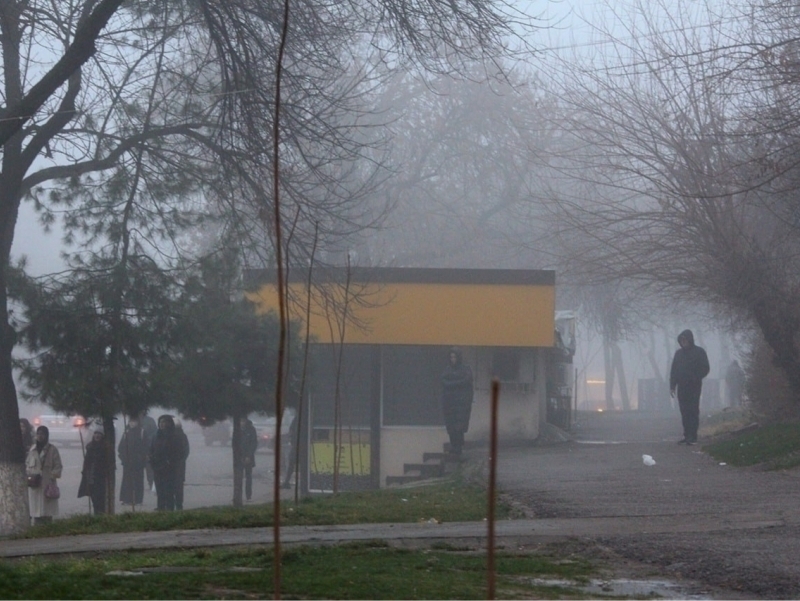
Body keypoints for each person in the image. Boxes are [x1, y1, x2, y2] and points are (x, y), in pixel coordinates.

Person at [669, 329, 710, 445]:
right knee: (684, 411)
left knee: (693, 410)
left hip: (694, 386)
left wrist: (696, 377)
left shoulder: (699, 352)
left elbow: (705, 368)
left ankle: (693, 435)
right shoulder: (678, 354)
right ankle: (687, 435)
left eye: (685, 340)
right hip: (682, 386)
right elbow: (674, 371)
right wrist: (672, 385)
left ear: (690, 340)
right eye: (681, 340)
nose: (683, 342)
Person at [26, 425, 63, 525]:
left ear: (46, 435)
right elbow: (27, 464)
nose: (40, 436)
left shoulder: (52, 449)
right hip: (35, 484)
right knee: (35, 510)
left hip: (48, 484)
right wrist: (30, 477)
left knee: (47, 511)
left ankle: (47, 529)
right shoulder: (32, 450)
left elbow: (58, 466)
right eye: (38, 434)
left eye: (42, 434)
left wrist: (51, 476)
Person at [440, 347, 474, 456]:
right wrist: (457, 383)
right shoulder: (447, 369)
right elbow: (444, 382)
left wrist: (453, 383)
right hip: (449, 403)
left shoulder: (465, 369)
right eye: (451, 357)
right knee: (451, 426)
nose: (452, 359)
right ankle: (454, 446)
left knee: (459, 426)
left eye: (454, 357)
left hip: (461, 404)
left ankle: (458, 447)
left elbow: (467, 381)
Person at [148, 415, 184, 511]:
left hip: (170, 468)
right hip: (157, 468)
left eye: (165, 422)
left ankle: (170, 508)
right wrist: (152, 460)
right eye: (161, 422)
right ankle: (160, 508)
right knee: (160, 491)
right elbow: (151, 450)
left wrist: (170, 462)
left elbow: (179, 452)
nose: (162, 424)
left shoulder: (174, 436)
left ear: (169, 423)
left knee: (169, 491)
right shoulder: (155, 436)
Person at [118, 417, 148, 506]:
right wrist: (123, 457)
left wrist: (141, 457)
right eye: (131, 421)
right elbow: (121, 447)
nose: (132, 423)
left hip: (139, 462)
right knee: (127, 481)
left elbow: (146, 447)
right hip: (127, 462)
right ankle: (127, 499)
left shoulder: (142, 432)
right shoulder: (126, 432)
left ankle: (138, 500)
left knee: (138, 481)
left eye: (134, 421)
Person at [78, 428, 108, 514]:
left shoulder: (104, 448)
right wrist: (85, 471)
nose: (97, 436)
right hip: (91, 476)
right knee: (93, 497)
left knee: (100, 498)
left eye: (99, 434)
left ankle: (100, 514)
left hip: (100, 477)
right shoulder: (90, 447)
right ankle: (96, 514)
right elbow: (87, 461)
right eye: (96, 434)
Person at [240, 417, 259, 500]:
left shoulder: (251, 429)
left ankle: (248, 496)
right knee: (238, 477)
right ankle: (238, 496)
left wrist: (249, 456)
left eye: (243, 421)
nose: (241, 422)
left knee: (248, 476)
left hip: (248, 457)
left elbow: (253, 443)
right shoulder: (238, 429)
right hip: (239, 456)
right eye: (241, 421)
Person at [174, 418, 190, 510]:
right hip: (172, 465)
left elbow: (185, 451)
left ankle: (179, 504)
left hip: (179, 466)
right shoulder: (166, 435)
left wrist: (180, 460)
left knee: (178, 486)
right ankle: (175, 503)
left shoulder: (182, 436)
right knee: (175, 486)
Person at [140, 412, 158, 492]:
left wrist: (148, 442)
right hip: (138, 450)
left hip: (148, 448)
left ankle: (152, 484)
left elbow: (154, 433)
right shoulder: (133, 420)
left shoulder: (150, 421)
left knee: (149, 469)